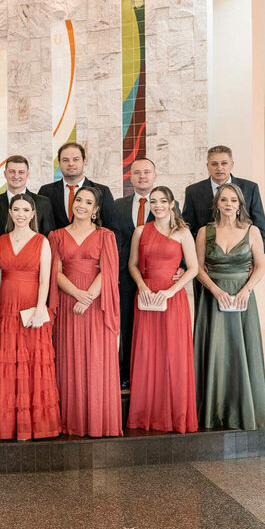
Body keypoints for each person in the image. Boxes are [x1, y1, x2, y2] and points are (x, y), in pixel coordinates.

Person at [194, 183, 265, 431]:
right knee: (214, 351)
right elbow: (197, 268)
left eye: (233, 200)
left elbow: (261, 266)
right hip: (212, 299)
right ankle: (212, 411)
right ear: (217, 204)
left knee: (241, 351)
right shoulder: (204, 232)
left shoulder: (252, 231)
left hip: (242, 298)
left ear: (240, 205)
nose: (228, 204)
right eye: (224, 200)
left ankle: (242, 409)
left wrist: (246, 290)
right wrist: (215, 290)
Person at [48, 185, 122, 437]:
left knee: (96, 359)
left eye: (88, 202)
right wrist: (77, 294)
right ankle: (73, 421)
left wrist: (88, 296)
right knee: (70, 359)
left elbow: (109, 270)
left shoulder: (105, 235)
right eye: (78, 200)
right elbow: (55, 271)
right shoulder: (57, 236)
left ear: (96, 209)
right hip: (69, 304)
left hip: (96, 304)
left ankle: (98, 421)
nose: (81, 205)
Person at [126, 186, 198, 433]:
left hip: (172, 298)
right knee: (147, 352)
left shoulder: (183, 232)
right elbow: (132, 264)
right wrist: (142, 286)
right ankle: (146, 413)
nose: (158, 206)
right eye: (154, 201)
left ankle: (176, 414)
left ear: (172, 204)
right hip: (147, 297)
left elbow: (193, 268)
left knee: (173, 353)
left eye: (163, 201)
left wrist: (171, 291)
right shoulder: (140, 231)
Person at [0, 193, 61, 440]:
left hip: (32, 306)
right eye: (16, 210)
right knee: (10, 364)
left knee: (33, 362)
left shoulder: (42, 241)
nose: (20, 214)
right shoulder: (0, 241)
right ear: (10, 213)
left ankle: (34, 425)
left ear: (33, 214)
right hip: (7, 308)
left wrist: (40, 308)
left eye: (25, 210)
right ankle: (11, 425)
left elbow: (45, 279)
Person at [113, 157, 165, 389]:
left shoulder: (167, 204)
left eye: (146, 172)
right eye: (137, 172)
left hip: (157, 277)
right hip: (125, 277)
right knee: (127, 327)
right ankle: (126, 374)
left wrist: (182, 266)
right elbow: (112, 241)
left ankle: (154, 373)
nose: (142, 176)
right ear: (130, 177)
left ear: (154, 176)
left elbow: (179, 236)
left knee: (155, 328)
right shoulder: (118, 206)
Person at [182, 145, 265, 251]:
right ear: (207, 166)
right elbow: (187, 229)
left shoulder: (250, 188)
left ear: (231, 165)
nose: (219, 168)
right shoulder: (193, 191)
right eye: (214, 164)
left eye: (224, 163)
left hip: (243, 256)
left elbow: (260, 226)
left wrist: (256, 256)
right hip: (204, 256)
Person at [39, 142, 117, 236]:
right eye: (65, 160)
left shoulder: (102, 191)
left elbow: (112, 229)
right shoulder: (45, 192)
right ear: (59, 163)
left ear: (84, 161)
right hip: (54, 244)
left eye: (76, 159)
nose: (71, 164)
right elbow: (39, 227)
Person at [0, 155, 56, 240]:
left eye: (21, 172)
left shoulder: (43, 203)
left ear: (27, 175)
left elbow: (49, 237)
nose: (16, 176)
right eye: (12, 171)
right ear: (5, 174)